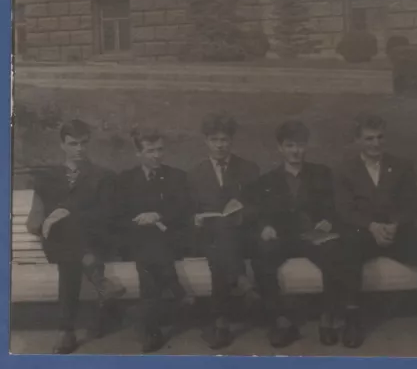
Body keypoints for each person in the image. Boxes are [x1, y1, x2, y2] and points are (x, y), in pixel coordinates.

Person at [333, 114, 417, 349]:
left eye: (380, 138)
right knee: (345, 250)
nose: (376, 144)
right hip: (364, 233)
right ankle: (352, 319)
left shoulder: (401, 166)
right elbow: (344, 209)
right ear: (358, 141)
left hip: (397, 231)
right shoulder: (344, 170)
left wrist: (394, 224)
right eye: (369, 139)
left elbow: (411, 203)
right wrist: (372, 226)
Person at [247, 120, 352, 348]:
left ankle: (327, 319)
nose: (296, 151)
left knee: (335, 251)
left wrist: (329, 220)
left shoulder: (322, 173)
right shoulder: (268, 180)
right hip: (283, 237)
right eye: (290, 145)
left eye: (300, 145)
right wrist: (265, 226)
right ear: (280, 148)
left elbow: (335, 207)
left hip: (313, 235)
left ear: (307, 146)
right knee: (261, 255)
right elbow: (260, 212)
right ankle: (282, 320)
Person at [25, 119, 126, 354]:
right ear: (62, 145)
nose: (79, 149)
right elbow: (34, 222)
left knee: (69, 260)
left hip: (93, 239)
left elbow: (107, 214)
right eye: (73, 144)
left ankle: (65, 331)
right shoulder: (47, 178)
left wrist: (66, 212)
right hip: (59, 242)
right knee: (71, 244)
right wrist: (48, 220)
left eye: (83, 143)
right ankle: (99, 280)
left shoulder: (104, 176)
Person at [187, 113, 260, 349]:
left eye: (225, 140)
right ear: (205, 141)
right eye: (214, 140)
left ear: (232, 141)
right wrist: (195, 219)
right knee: (218, 239)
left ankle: (221, 322)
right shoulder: (195, 173)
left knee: (221, 246)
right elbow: (188, 210)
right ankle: (240, 279)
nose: (220, 145)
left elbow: (258, 206)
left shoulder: (249, 169)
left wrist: (241, 211)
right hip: (206, 237)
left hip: (240, 235)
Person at [115, 127, 191, 353]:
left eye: (160, 149)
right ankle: (175, 287)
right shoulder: (125, 180)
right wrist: (140, 221)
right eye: (150, 151)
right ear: (138, 153)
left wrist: (157, 216)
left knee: (149, 261)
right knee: (149, 252)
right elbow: (117, 214)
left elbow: (184, 208)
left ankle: (151, 331)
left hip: (169, 242)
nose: (157, 155)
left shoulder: (177, 176)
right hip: (137, 243)